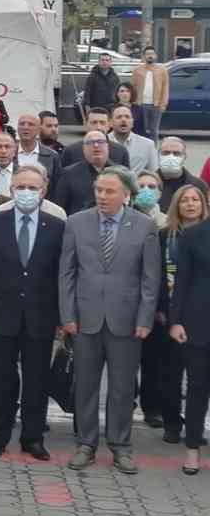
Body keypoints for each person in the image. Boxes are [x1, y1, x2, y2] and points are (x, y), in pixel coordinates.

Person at [60, 166, 160, 474]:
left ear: (126, 194)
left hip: (127, 321)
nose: (102, 197)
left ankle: (120, 446)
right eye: (98, 190)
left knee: (122, 388)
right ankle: (86, 444)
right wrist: (68, 315)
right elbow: (67, 273)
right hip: (86, 319)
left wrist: (145, 318)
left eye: (109, 191)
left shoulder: (145, 226)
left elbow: (150, 278)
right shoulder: (76, 223)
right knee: (85, 385)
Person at [0, 165, 64, 461]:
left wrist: (62, 319)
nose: (26, 192)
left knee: (37, 380)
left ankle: (32, 438)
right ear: (11, 190)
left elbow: (61, 276)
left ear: (43, 190)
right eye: (20, 187)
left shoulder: (57, 226)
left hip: (40, 316)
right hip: (0, 314)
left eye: (32, 187)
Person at [149, 183, 203, 444]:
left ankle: (194, 427)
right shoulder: (163, 236)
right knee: (170, 374)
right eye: (185, 200)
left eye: (195, 200)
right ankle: (172, 423)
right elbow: (155, 274)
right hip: (168, 314)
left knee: (199, 377)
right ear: (176, 205)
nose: (190, 204)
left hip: (201, 316)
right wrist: (161, 308)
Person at [169, 187, 210, 474]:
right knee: (197, 388)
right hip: (198, 322)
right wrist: (176, 320)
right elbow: (181, 281)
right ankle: (193, 449)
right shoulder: (195, 235)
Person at [53, 131, 114, 215]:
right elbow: (60, 207)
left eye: (100, 142)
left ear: (108, 146)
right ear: (83, 149)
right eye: (90, 142)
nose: (96, 145)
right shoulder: (68, 174)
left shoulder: (120, 173)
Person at [157, 137, 207, 210]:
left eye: (176, 153)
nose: (171, 157)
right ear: (158, 155)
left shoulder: (199, 185)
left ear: (184, 157)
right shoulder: (147, 183)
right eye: (166, 153)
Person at [131, 46, 168, 138]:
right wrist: (133, 102)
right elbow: (132, 87)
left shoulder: (162, 70)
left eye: (152, 54)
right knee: (140, 129)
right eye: (148, 54)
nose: (150, 56)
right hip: (140, 104)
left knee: (154, 131)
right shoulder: (137, 70)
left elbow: (165, 87)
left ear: (155, 56)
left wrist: (163, 103)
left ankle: (153, 150)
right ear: (143, 56)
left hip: (156, 105)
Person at [108, 104, 157, 173]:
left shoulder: (148, 145)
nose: (123, 120)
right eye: (119, 117)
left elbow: (153, 173)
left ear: (132, 122)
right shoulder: (103, 143)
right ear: (111, 123)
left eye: (127, 117)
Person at [83, 51, 120, 116]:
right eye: (102, 60)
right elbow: (87, 94)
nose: (104, 62)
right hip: (95, 109)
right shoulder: (92, 76)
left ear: (110, 62)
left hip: (111, 109)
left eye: (107, 60)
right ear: (98, 62)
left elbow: (118, 93)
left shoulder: (115, 77)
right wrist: (87, 110)